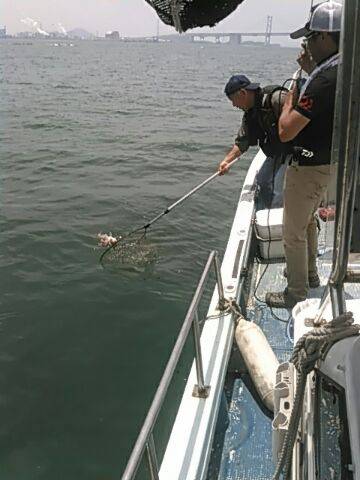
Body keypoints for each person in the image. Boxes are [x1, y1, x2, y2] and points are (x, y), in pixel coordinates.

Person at [265, 1, 342, 309]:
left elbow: (286, 130)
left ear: (324, 37)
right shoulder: (337, 70)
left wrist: (294, 88)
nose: (306, 44)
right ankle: (310, 275)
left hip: (308, 167)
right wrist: (310, 70)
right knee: (308, 222)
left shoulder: (322, 82)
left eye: (310, 37)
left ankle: (295, 292)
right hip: (326, 163)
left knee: (292, 232)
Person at [219, 75, 292, 209]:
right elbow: (242, 142)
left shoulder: (276, 99)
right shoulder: (250, 114)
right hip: (277, 151)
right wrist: (226, 161)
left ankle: (278, 221)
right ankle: (264, 214)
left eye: (233, 100)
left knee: (278, 188)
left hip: (295, 150)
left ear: (243, 93)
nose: (234, 105)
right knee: (263, 181)